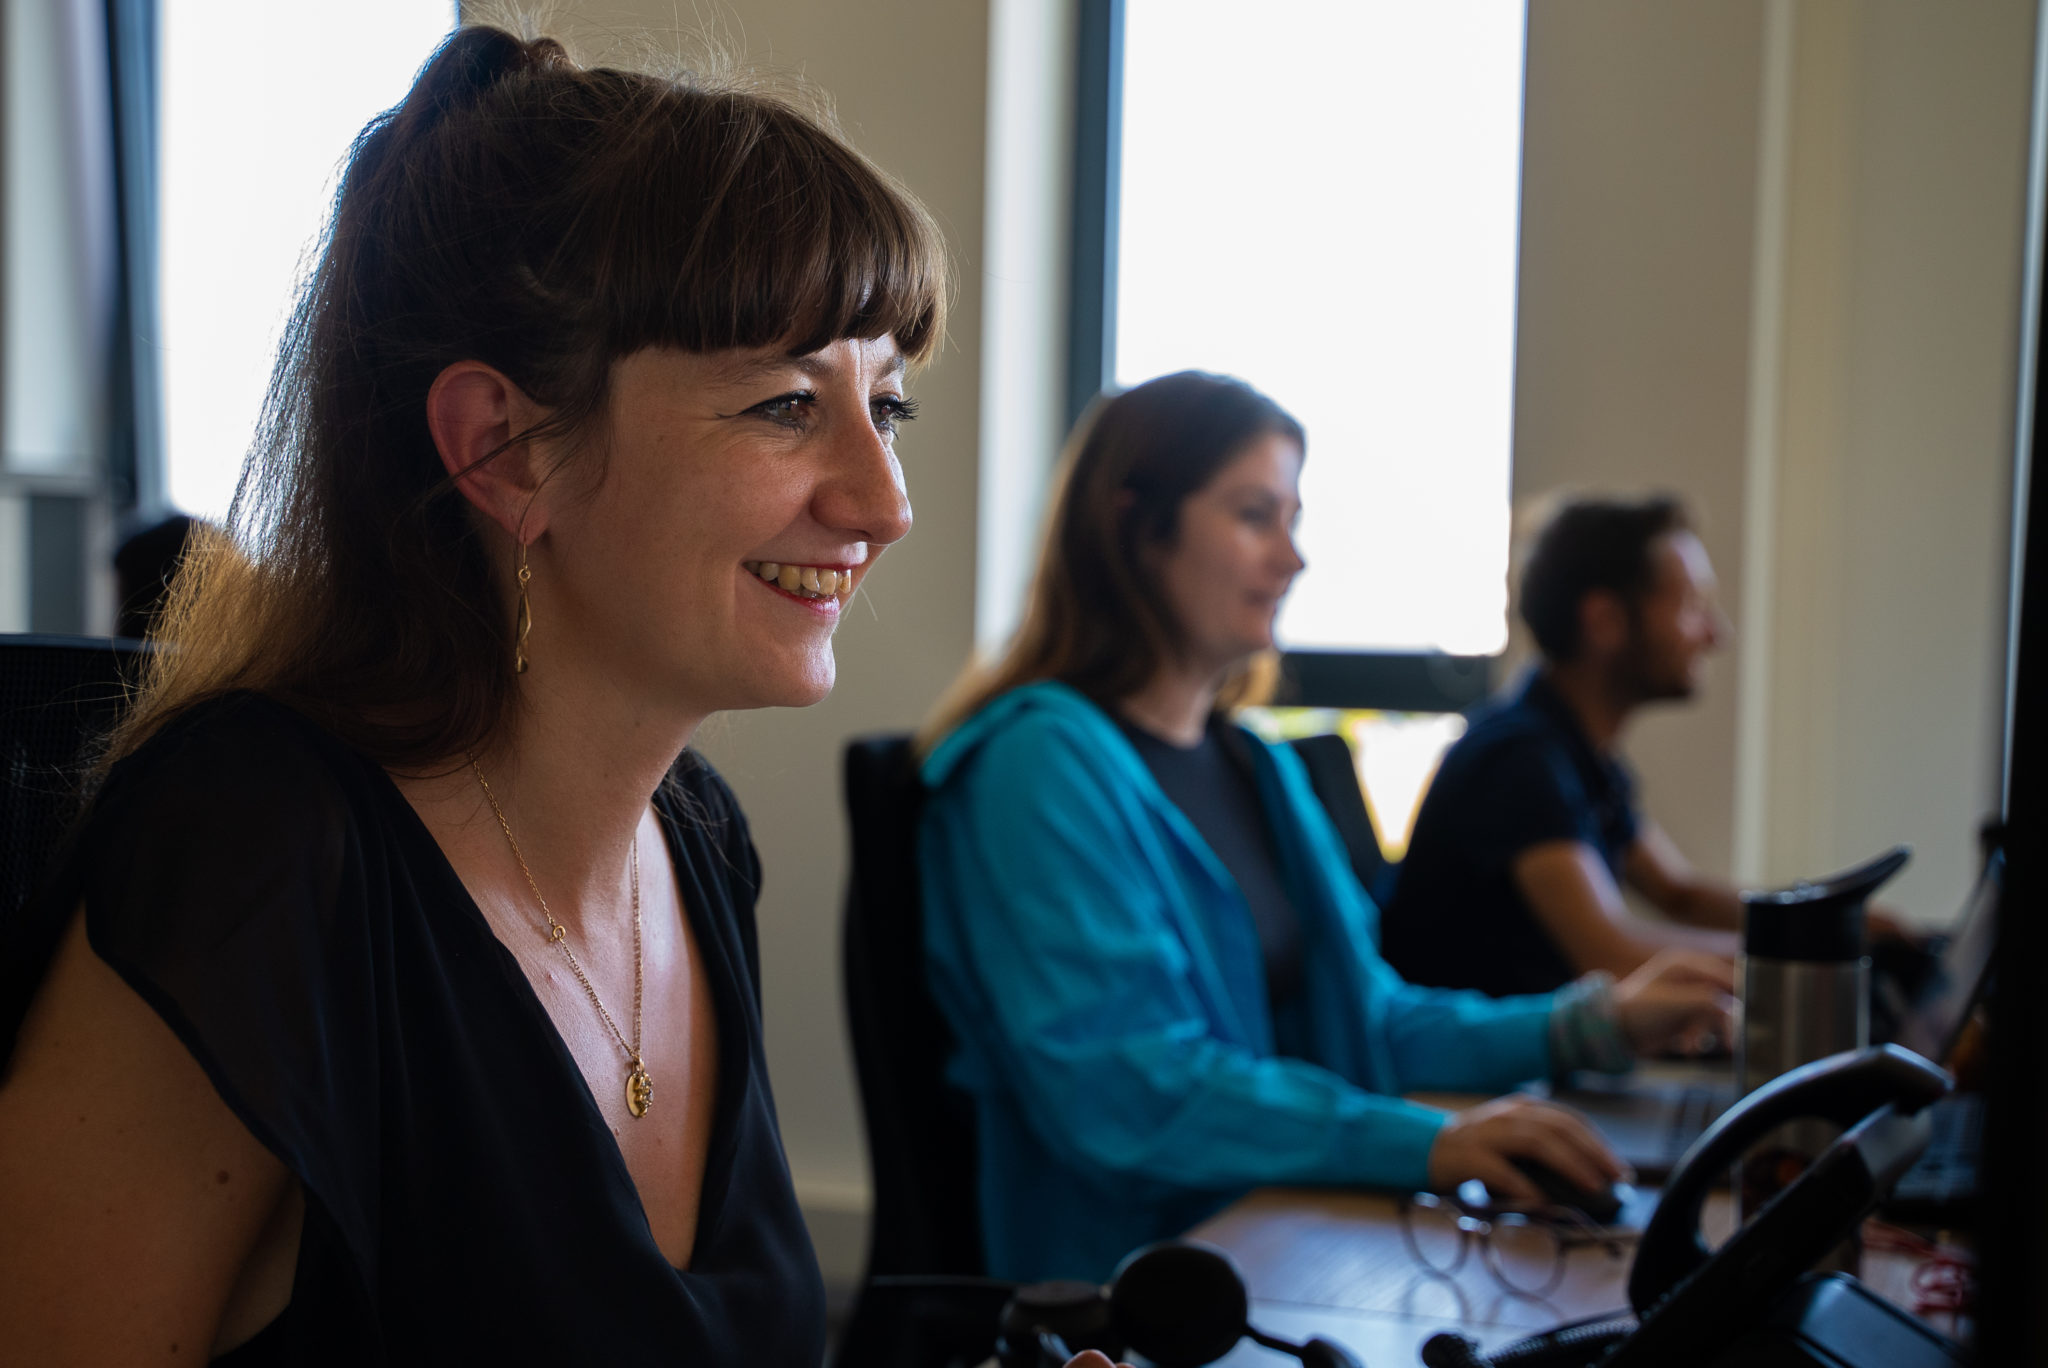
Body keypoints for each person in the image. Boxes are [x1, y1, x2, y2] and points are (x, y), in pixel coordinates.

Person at [0, 26, 943, 1364]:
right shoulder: (263, 853)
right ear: (502, 450)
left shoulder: (698, 838)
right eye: (788, 404)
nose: (881, 504)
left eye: (885, 406)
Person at [915, 373, 1735, 1284]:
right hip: (1142, 1288)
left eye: (1291, 520)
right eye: (1254, 515)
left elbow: (1374, 1021)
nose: (1291, 559)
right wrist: (1432, 1142)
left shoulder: (1257, 765)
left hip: (1285, 1236)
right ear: (1135, 527)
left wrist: (1596, 1025)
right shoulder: (1038, 767)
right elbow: (1132, 1091)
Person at [1379, 496, 1747, 998]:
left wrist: (1835, 926)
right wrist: (1808, 964)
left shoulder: (1576, 753)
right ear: (1605, 621)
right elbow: (1610, 955)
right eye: (1690, 606)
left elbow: (1678, 893)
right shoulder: (1518, 761)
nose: (1715, 634)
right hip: (1468, 1073)